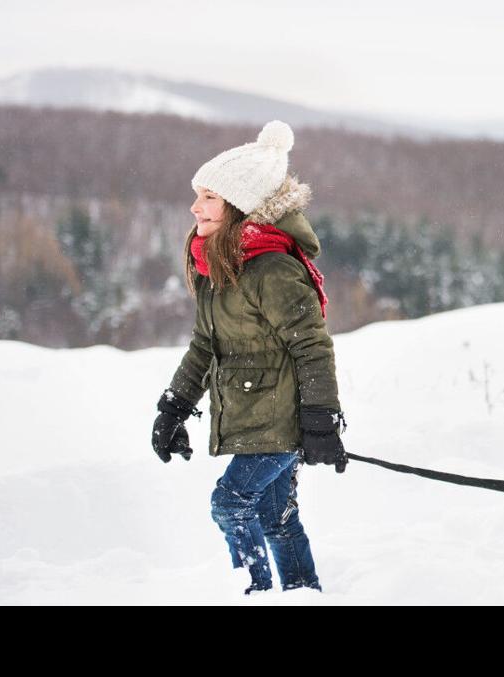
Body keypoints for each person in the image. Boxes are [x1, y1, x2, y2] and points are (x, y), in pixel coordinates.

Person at [150, 120, 349, 596]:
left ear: (239, 204)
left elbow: (311, 345)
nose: (195, 206)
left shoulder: (272, 268)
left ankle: (253, 592)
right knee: (276, 519)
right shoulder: (216, 265)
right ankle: (304, 593)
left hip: (280, 420)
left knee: (231, 504)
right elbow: (204, 344)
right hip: (251, 417)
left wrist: (320, 418)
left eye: (209, 196)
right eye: (197, 194)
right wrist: (173, 407)